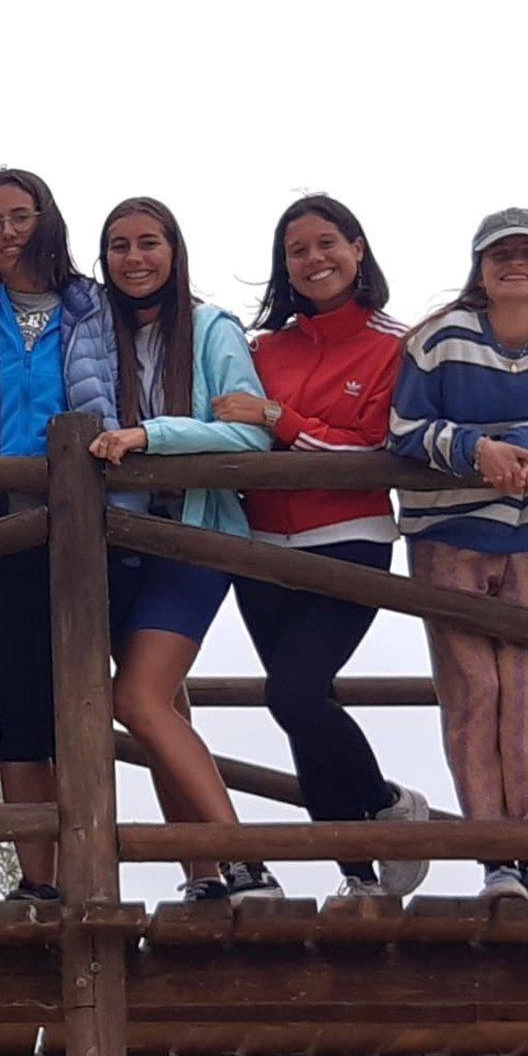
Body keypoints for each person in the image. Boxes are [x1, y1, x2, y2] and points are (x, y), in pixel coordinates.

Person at [215, 196, 430, 899]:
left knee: (295, 692)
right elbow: (233, 430)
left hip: (348, 540)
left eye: (327, 243)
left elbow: (372, 450)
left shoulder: (398, 344)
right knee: (296, 712)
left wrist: (279, 417)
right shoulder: (260, 349)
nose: (314, 259)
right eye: (297, 250)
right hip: (258, 547)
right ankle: (358, 878)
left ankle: (390, 806)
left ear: (358, 249)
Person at [390, 207, 528, 903]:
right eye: (500, 254)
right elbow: (404, 429)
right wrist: (476, 450)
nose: (516, 263)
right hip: (447, 533)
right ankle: (495, 858)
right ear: (479, 269)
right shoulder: (439, 338)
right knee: (474, 689)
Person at [0, 169, 117, 902]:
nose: (8, 232)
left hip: (81, 526)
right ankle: (39, 882)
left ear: (47, 219)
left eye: (20, 216)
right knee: (19, 707)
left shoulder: (92, 305)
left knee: (81, 703)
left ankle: (89, 878)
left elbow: (120, 393)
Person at [87, 197, 282, 903]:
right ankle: (203, 873)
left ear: (174, 251)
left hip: (195, 536)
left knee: (136, 698)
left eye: (149, 242)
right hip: (114, 542)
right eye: (119, 246)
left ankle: (246, 861)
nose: (134, 258)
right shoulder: (95, 334)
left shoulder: (211, 327)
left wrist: (151, 436)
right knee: (165, 704)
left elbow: (251, 434)